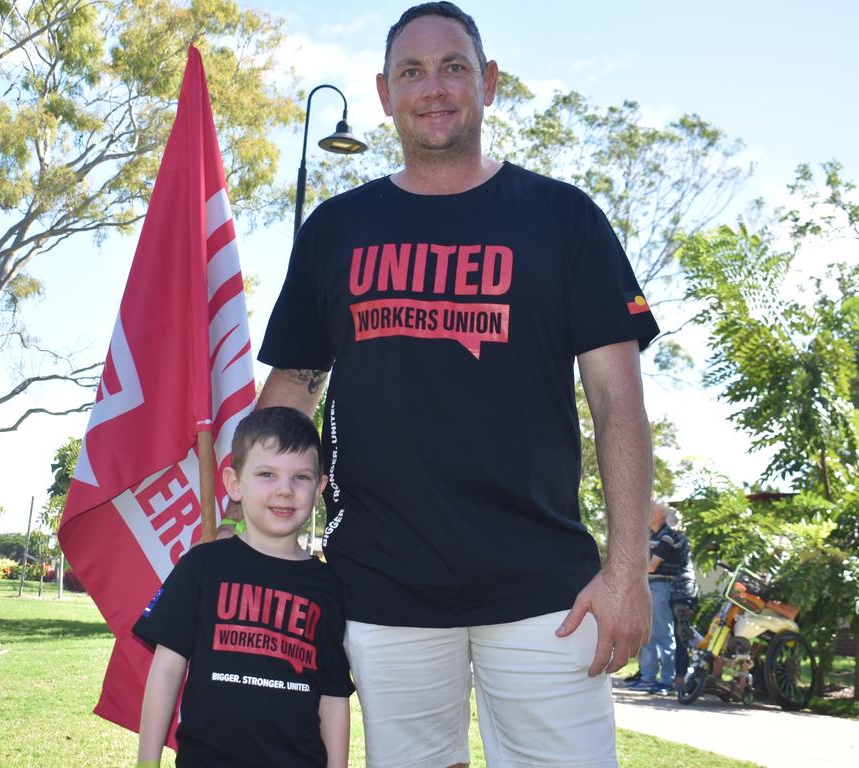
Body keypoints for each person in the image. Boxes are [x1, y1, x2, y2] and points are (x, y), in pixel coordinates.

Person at [250, 3, 660, 765]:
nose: (432, 87)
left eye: (454, 68)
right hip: (383, 586)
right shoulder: (337, 230)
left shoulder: (563, 219)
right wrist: (245, 528)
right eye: (412, 71)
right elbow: (295, 390)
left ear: (490, 82)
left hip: (547, 593)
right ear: (383, 92)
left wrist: (627, 571)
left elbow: (619, 405)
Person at [134, 407, 353, 768]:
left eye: (301, 477)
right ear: (234, 483)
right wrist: (147, 761)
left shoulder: (328, 586)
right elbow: (166, 669)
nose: (285, 490)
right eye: (267, 474)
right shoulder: (202, 566)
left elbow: (333, 696)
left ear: (320, 489)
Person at [629, 500, 684, 696]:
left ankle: (667, 682)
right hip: (648, 586)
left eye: (651, 508)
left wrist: (630, 567)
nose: (648, 511)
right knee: (648, 635)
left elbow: (651, 566)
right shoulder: (652, 536)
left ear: (661, 514)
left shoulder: (667, 536)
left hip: (661, 587)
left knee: (663, 634)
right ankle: (647, 679)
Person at [666, 507, 699, 689]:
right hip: (685, 591)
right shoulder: (680, 538)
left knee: (682, 635)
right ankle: (683, 676)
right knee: (683, 633)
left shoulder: (673, 538)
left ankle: (681, 678)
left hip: (681, 592)